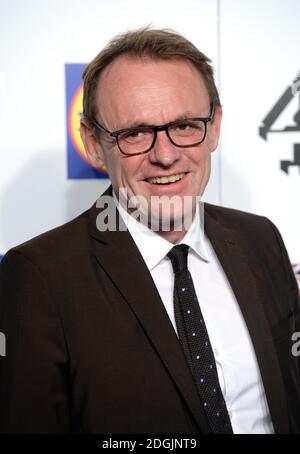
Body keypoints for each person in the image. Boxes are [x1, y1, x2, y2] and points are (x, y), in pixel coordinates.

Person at [0, 28, 299, 434]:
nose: (165, 155)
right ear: (92, 142)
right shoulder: (41, 276)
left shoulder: (260, 239)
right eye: (135, 134)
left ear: (214, 127)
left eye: (185, 125)